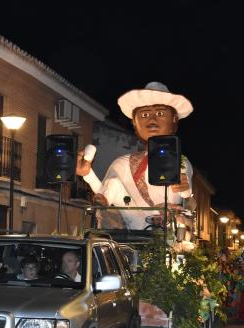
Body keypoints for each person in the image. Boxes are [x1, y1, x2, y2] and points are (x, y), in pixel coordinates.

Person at [77, 82, 194, 229]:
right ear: (134, 122)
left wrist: (184, 187)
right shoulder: (123, 163)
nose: (152, 120)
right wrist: (87, 174)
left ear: (174, 119)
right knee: (114, 181)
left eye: (160, 114)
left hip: (166, 230)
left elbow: (185, 193)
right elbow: (108, 190)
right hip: (131, 231)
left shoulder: (179, 162)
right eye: (144, 115)